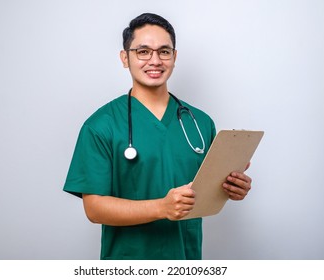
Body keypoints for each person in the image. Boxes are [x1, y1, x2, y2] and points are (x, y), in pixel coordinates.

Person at [63, 13, 252, 260]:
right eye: (143, 51)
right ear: (125, 58)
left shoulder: (201, 124)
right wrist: (161, 208)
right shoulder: (101, 126)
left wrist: (232, 187)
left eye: (164, 51)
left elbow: (205, 191)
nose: (155, 60)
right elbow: (94, 208)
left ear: (174, 57)